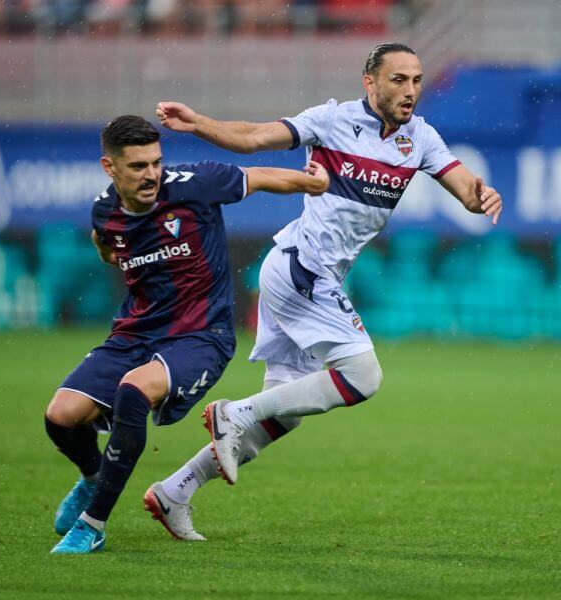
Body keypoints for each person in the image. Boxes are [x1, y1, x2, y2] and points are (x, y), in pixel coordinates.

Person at [149, 42, 502, 539]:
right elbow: (253, 138)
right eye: (398, 79)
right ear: (370, 82)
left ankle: (174, 491)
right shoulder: (331, 121)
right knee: (363, 376)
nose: (411, 90)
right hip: (300, 268)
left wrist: (480, 195)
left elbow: (465, 188)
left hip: (314, 275)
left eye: (417, 80)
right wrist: (200, 123)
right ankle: (232, 412)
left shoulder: (420, 138)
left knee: (285, 414)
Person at [46, 115, 329, 553]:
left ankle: (93, 524)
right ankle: (92, 477)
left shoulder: (194, 183)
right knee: (61, 417)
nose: (151, 174)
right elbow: (105, 243)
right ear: (110, 167)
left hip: (202, 336)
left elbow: (258, 176)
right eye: (138, 166)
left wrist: (311, 185)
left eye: (156, 162)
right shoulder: (105, 210)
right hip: (135, 333)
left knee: (133, 391)